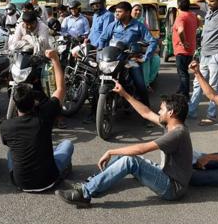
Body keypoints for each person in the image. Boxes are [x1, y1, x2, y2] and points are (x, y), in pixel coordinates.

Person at [55, 83, 193, 208]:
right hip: (166, 172)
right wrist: (124, 94)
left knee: (130, 160)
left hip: (172, 187)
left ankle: (84, 194)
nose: (158, 112)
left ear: (171, 113)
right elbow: (146, 112)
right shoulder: (173, 124)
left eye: (162, 110)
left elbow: (141, 149)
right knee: (125, 155)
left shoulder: (177, 134)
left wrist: (111, 151)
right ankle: (89, 184)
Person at [0, 49, 73, 192]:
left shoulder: (6, 126)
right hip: (49, 180)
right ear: (34, 102)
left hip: (21, 183)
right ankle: (61, 171)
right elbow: (61, 88)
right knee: (67, 144)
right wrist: (55, 60)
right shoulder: (45, 115)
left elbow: (8, 144)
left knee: (10, 153)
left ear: (15, 103)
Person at [98, 1, 158, 109]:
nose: (116, 14)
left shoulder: (138, 26)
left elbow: (152, 41)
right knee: (98, 81)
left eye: (119, 12)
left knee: (140, 84)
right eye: (116, 11)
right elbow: (103, 39)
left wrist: (146, 57)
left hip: (131, 60)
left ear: (127, 13)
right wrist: (100, 54)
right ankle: (94, 113)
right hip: (114, 58)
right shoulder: (113, 25)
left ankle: (147, 113)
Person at [173, 0, 199, 98]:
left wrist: (183, 42)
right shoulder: (192, 15)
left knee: (182, 73)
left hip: (182, 50)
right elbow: (199, 24)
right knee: (184, 71)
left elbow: (180, 30)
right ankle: (181, 89)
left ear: (178, 6)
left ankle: (185, 94)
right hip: (190, 49)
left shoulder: (181, 17)